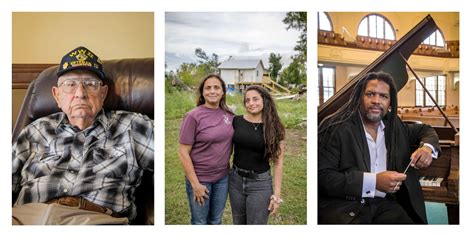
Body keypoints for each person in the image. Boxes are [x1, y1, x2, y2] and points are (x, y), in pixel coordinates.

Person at [12, 46, 154, 225]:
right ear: (57, 96)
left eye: (90, 84)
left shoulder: (132, 126)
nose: (80, 93)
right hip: (24, 218)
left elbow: (174, 151)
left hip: (94, 220)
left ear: (103, 94)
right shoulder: (35, 130)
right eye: (70, 85)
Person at [318, 71, 440, 224]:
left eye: (383, 96)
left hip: (384, 205)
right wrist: (374, 182)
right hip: (344, 207)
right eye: (370, 94)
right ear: (359, 98)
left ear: (390, 103)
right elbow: (322, 177)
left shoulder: (394, 125)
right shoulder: (336, 127)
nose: (376, 100)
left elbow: (425, 130)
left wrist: (427, 148)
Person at [178, 74, 234, 225]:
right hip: (200, 179)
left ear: (223, 92)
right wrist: (195, 184)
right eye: (208, 88)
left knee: (216, 221)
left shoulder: (229, 116)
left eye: (217, 87)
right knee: (200, 222)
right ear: (202, 92)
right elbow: (183, 152)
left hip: (222, 178)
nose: (212, 91)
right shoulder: (193, 116)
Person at [229, 85, 285, 224]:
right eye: (247, 100)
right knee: (238, 223)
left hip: (260, 184)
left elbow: (278, 163)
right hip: (235, 180)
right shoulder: (236, 121)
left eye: (255, 99)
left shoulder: (275, 126)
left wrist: (276, 195)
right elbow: (227, 150)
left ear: (264, 100)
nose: (251, 103)